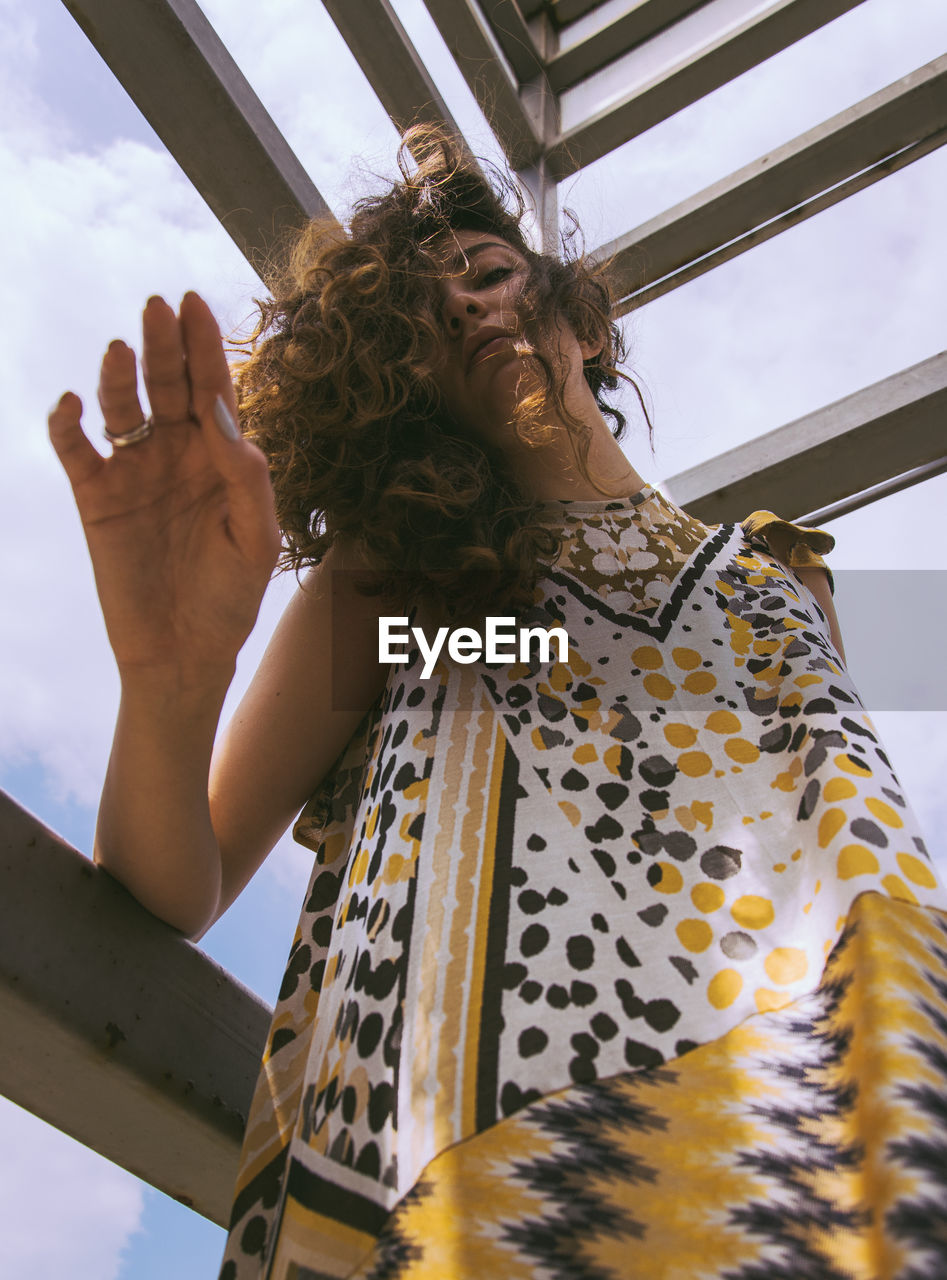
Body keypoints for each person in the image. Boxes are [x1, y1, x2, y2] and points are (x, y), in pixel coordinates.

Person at [49, 130, 947, 1279]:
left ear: (582, 320)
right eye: (425, 315)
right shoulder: (418, 587)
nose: (467, 308)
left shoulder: (774, 573)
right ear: (405, 384)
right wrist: (170, 682)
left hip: (837, 1102)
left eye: (487, 271)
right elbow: (186, 876)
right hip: (480, 1152)